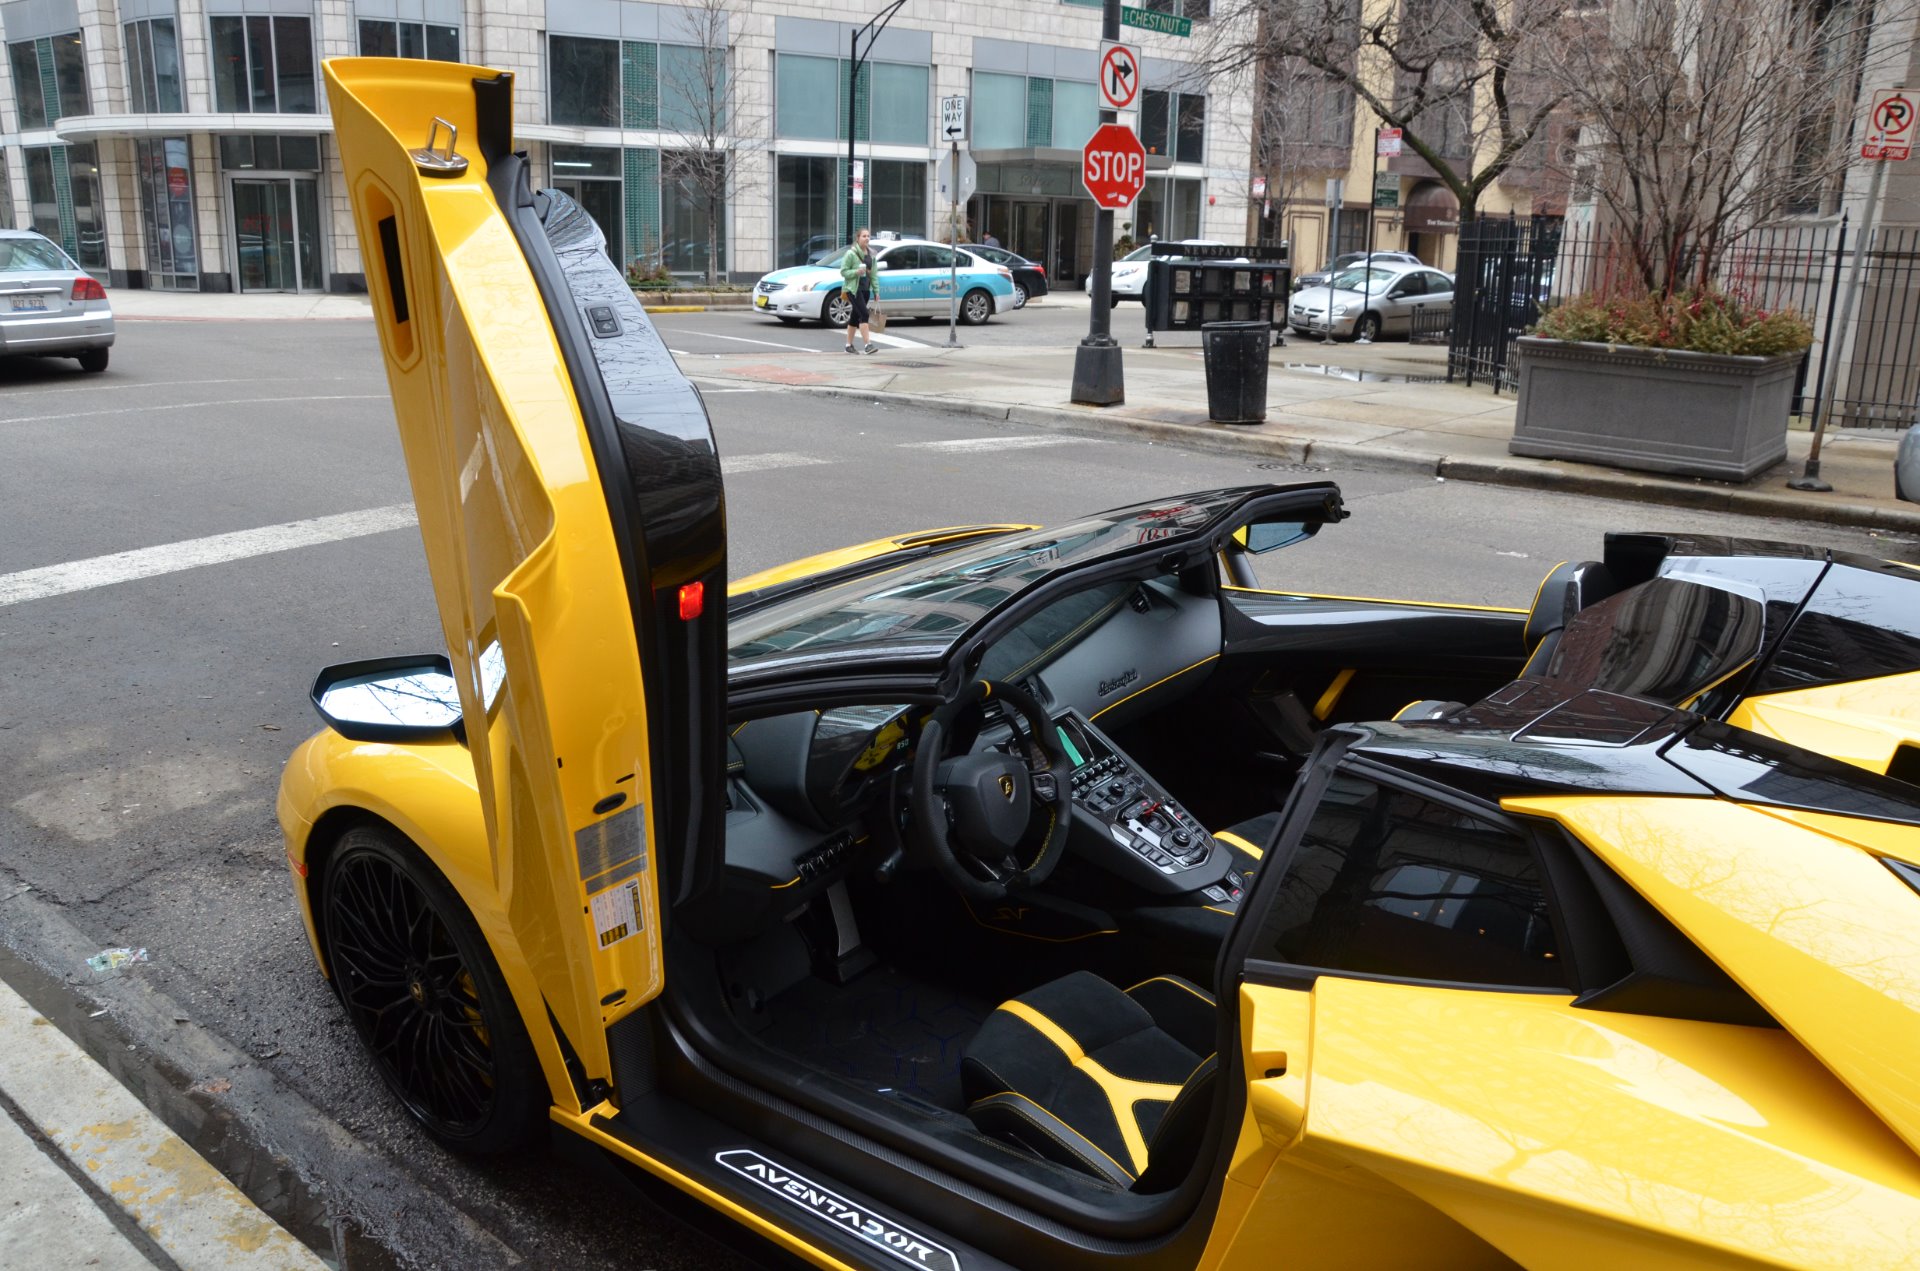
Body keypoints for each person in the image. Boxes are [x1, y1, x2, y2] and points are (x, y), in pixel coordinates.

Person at [839, 228, 878, 354]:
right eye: (863, 236)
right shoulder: (851, 254)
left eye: (868, 236)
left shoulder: (871, 255)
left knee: (855, 317)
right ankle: (868, 345)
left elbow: (873, 275)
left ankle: (848, 346)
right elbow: (843, 271)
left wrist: (876, 291)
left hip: (865, 289)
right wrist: (856, 272)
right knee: (864, 314)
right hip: (853, 289)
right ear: (858, 238)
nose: (866, 238)